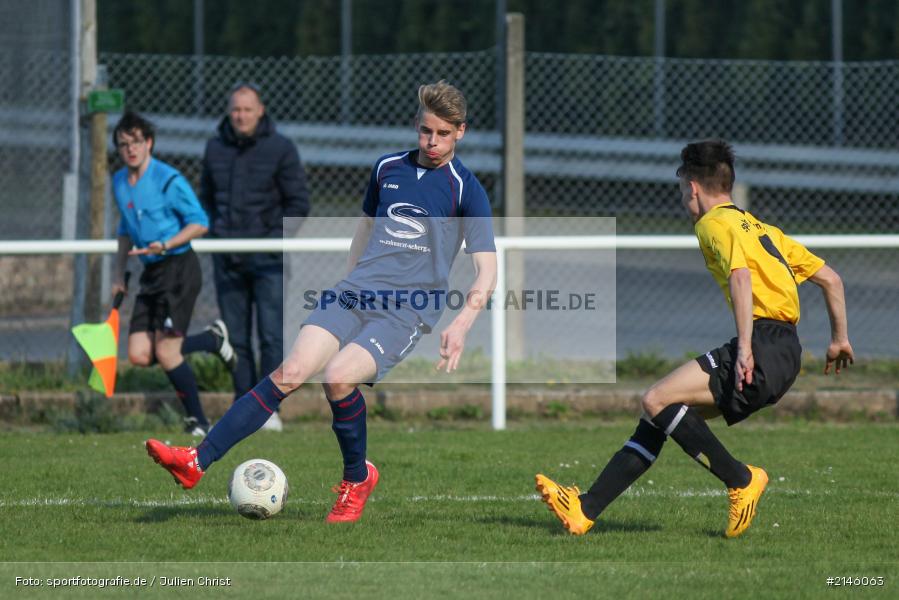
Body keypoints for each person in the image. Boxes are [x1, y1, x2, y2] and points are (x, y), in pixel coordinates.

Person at [146, 80, 497, 523]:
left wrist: (462, 323)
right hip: (355, 291)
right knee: (290, 372)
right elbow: (365, 230)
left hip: (407, 309)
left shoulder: (466, 189)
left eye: (443, 134)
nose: (432, 142)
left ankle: (357, 478)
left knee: (337, 377)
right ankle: (196, 462)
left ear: (460, 132)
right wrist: (350, 279)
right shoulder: (387, 168)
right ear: (417, 124)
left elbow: (488, 269)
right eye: (426, 131)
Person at [536, 139, 854, 538]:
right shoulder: (760, 228)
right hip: (787, 349)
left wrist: (744, 349)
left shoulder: (713, 224)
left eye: (681, 190)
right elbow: (831, 279)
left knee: (656, 398)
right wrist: (839, 338)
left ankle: (741, 479)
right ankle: (585, 510)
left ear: (692, 187)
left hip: (762, 342)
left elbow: (740, 277)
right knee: (657, 416)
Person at [111, 111, 234, 437]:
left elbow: (200, 223)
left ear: (149, 143)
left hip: (178, 268)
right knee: (139, 354)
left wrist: (165, 244)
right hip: (150, 273)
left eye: (137, 142)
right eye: (124, 144)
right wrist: (119, 271)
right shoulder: (120, 182)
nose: (131, 149)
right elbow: (125, 228)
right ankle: (212, 339)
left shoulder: (168, 180)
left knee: (167, 351)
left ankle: (199, 422)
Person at [197, 82, 311, 432]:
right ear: (228, 112)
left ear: (260, 110)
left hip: (268, 261)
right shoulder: (215, 149)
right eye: (235, 109)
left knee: (270, 336)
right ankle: (242, 407)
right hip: (227, 259)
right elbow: (205, 200)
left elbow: (299, 203)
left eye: (247, 109)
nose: (241, 116)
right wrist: (218, 233)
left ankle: (270, 410)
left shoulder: (281, 148)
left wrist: (269, 237)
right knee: (238, 339)